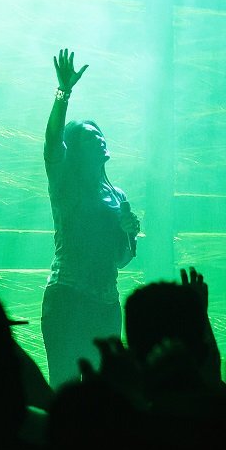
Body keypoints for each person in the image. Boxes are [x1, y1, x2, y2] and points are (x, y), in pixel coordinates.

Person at [41, 48, 139, 387]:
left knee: (104, 395)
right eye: (88, 136)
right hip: (67, 297)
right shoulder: (65, 182)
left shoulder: (118, 196)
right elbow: (52, 140)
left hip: (106, 303)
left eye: (99, 133)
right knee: (66, 388)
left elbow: (122, 260)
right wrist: (63, 93)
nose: (99, 137)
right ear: (75, 150)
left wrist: (129, 234)